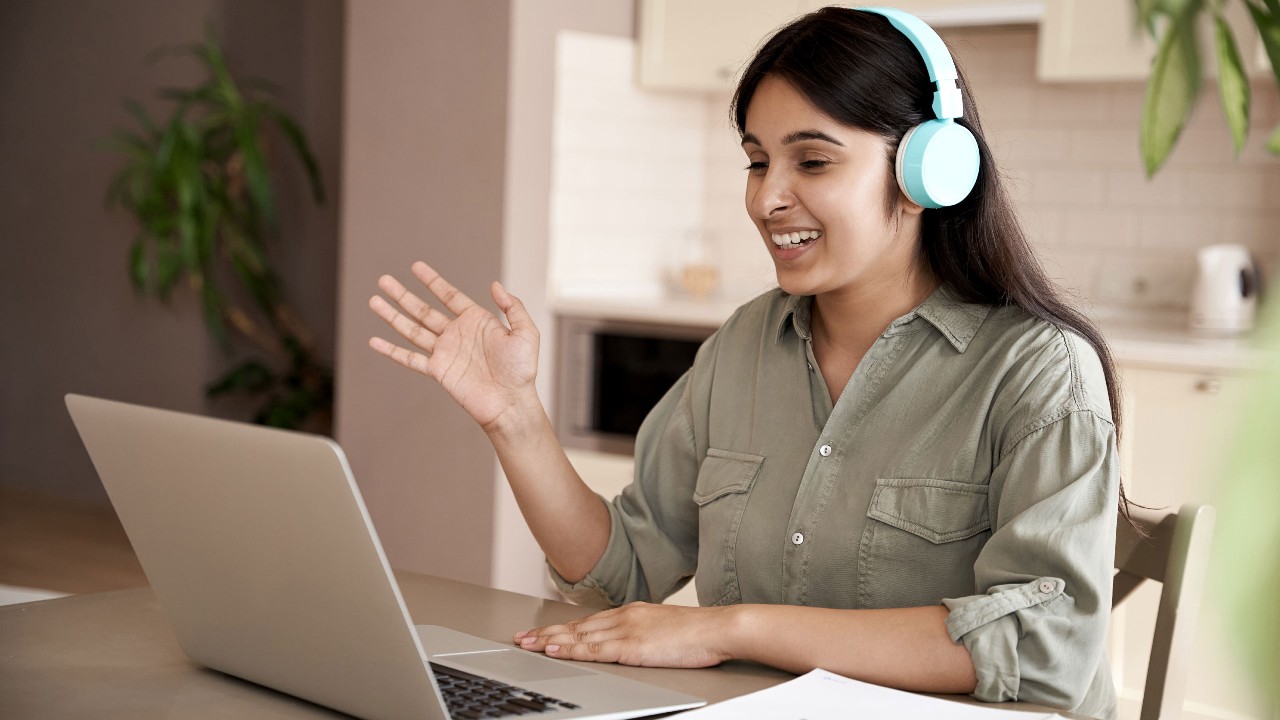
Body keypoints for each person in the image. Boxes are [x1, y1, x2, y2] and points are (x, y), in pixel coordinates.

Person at [368, 7, 1123, 718]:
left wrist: (730, 628)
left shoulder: (1038, 370)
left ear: (931, 173)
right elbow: (618, 576)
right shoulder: (744, 347)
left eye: (813, 162)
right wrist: (516, 418)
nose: (768, 199)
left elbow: (1044, 645)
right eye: (758, 163)